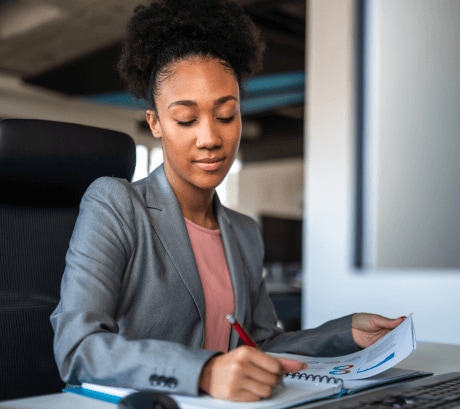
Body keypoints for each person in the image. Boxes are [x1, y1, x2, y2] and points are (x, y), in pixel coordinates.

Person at [50, 0, 405, 403]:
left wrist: (346, 333)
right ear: (155, 123)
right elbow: (77, 348)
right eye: (186, 119)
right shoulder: (115, 204)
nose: (209, 138)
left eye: (226, 115)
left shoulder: (244, 231)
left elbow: (260, 342)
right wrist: (203, 372)